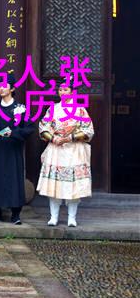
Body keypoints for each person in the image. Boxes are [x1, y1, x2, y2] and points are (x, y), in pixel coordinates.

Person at [38, 79, 94, 227]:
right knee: (54, 185)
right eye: (60, 90)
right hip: (56, 149)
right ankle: (53, 217)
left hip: (74, 149)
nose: (62, 92)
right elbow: (43, 127)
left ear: (73, 92)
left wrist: (70, 137)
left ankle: (72, 218)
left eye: (66, 90)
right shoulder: (53, 109)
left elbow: (88, 130)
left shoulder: (80, 110)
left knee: (73, 186)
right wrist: (53, 138)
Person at [0, 74, 34, 225]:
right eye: (0, 86)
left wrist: (14, 133)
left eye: (5, 86)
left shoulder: (20, 108)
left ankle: (15, 214)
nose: (1, 88)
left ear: (12, 89)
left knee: (14, 179)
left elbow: (29, 128)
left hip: (13, 150)